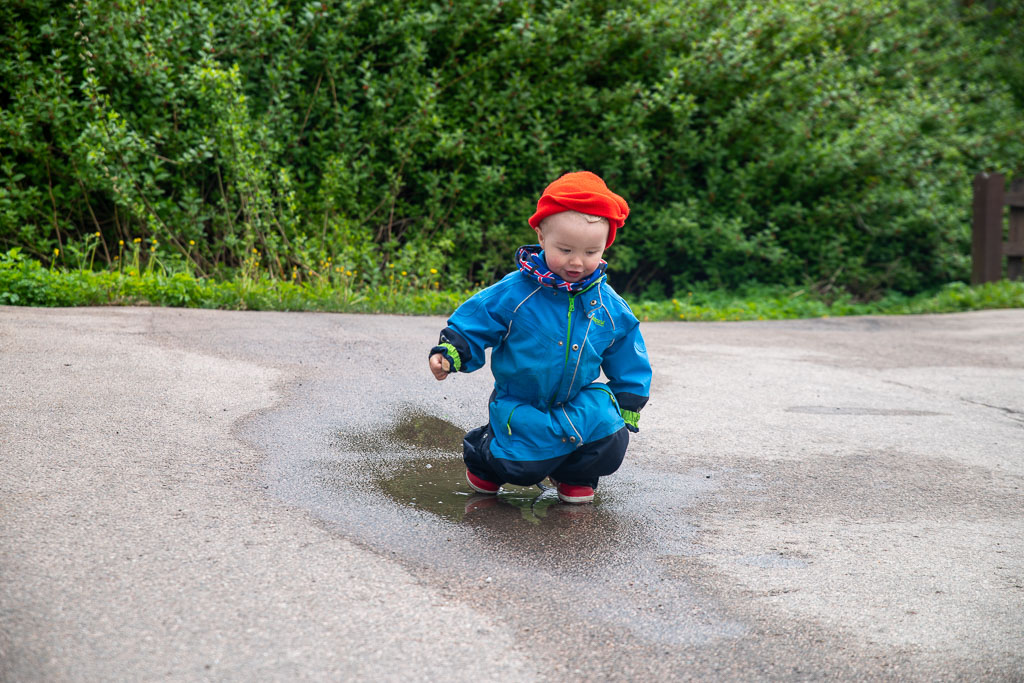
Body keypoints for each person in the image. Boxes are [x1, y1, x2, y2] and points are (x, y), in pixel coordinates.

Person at [428, 171, 652, 504]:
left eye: (591, 252)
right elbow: (476, 320)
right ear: (541, 236)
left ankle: (575, 475)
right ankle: (485, 454)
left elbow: (628, 353)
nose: (577, 262)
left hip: (576, 402)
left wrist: (629, 400)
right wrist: (451, 351)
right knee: (521, 467)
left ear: (605, 246)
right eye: (565, 249)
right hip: (524, 402)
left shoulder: (608, 305)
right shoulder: (516, 292)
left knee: (610, 434)